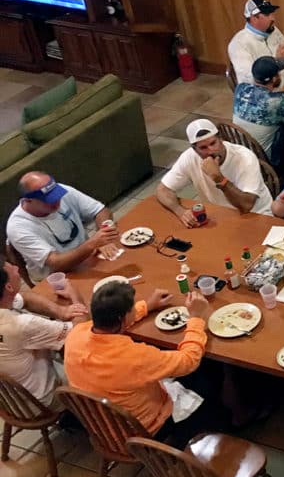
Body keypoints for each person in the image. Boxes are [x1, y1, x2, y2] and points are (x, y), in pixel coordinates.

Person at [63, 282, 212, 438]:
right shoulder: (134, 358)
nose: (135, 309)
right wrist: (196, 318)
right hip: (144, 431)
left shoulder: (76, 335)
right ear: (123, 317)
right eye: (132, 308)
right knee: (207, 372)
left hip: (103, 429)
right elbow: (189, 360)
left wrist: (147, 305)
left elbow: (106, 326)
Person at [0, 262, 86, 407]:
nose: (17, 268)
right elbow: (81, 332)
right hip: (43, 398)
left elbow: (24, 298)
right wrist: (75, 297)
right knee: (94, 367)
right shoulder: (21, 324)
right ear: (8, 287)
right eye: (12, 269)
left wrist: (60, 311)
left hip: (9, 399)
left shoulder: (3, 301)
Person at [7, 172, 119, 283]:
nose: (57, 201)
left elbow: (100, 211)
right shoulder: (18, 227)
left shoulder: (62, 190)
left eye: (57, 195)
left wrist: (105, 230)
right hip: (55, 278)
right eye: (49, 200)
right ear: (28, 200)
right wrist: (92, 244)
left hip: (87, 259)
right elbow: (56, 264)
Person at [157, 119, 274, 223]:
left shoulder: (244, 157)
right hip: (221, 216)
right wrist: (181, 211)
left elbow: (246, 206)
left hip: (257, 216)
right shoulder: (189, 157)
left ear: (221, 139)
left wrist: (219, 178)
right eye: (203, 148)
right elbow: (162, 190)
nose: (211, 151)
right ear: (195, 150)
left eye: (213, 143)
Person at [227, 0, 284, 86]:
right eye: (267, 15)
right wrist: (276, 63)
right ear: (254, 18)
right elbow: (250, 79)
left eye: (272, 13)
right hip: (264, 97)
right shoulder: (238, 43)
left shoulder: (273, 30)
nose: (273, 18)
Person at [232, 56, 284, 166]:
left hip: (240, 151)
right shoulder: (276, 102)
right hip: (264, 161)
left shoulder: (240, 88)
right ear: (274, 79)